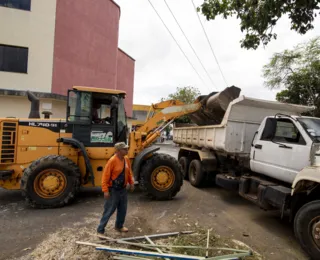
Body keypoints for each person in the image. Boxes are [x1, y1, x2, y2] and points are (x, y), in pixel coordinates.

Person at [97, 142, 135, 235]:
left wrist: (131, 183)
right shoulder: (112, 161)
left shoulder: (126, 159)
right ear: (118, 151)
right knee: (109, 210)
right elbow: (105, 177)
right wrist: (105, 190)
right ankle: (100, 229)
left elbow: (129, 172)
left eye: (127, 148)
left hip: (123, 189)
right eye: (124, 149)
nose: (127, 150)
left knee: (123, 209)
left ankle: (119, 226)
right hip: (113, 189)